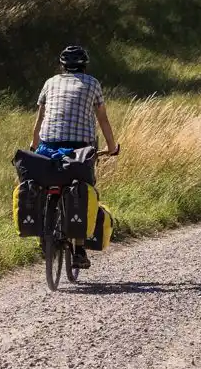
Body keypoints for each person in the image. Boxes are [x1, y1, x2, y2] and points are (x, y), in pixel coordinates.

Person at [29, 45, 119, 268]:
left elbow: (40, 118)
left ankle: (44, 232)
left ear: (62, 66)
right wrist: (112, 147)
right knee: (83, 190)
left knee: (43, 182)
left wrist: (34, 144)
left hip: (47, 146)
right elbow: (103, 119)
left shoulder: (50, 83)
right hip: (80, 149)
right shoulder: (93, 84)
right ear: (85, 66)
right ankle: (78, 250)